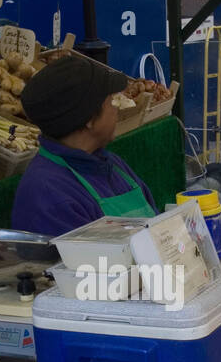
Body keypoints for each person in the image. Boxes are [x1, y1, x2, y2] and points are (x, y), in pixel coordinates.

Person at [10, 54, 157, 237]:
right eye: (111, 102)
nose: (117, 109)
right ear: (88, 119)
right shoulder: (48, 196)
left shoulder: (110, 164)